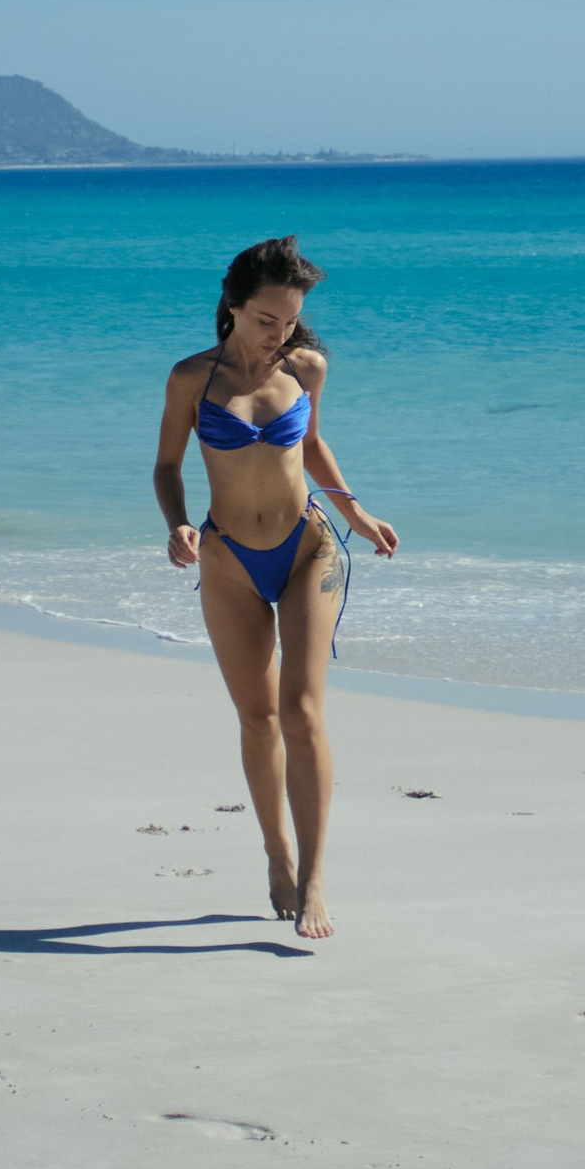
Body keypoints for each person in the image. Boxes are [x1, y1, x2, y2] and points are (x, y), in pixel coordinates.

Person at [154, 236, 398, 942]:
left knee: (301, 712)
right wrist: (178, 527)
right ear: (232, 309)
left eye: (289, 322)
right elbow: (167, 467)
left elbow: (312, 444)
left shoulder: (307, 367)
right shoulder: (190, 380)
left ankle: (317, 878)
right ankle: (276, 856)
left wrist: (357, 511)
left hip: (307, 551)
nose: (279, 336)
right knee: (257, 720)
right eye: (267, 321)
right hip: (228, 558)